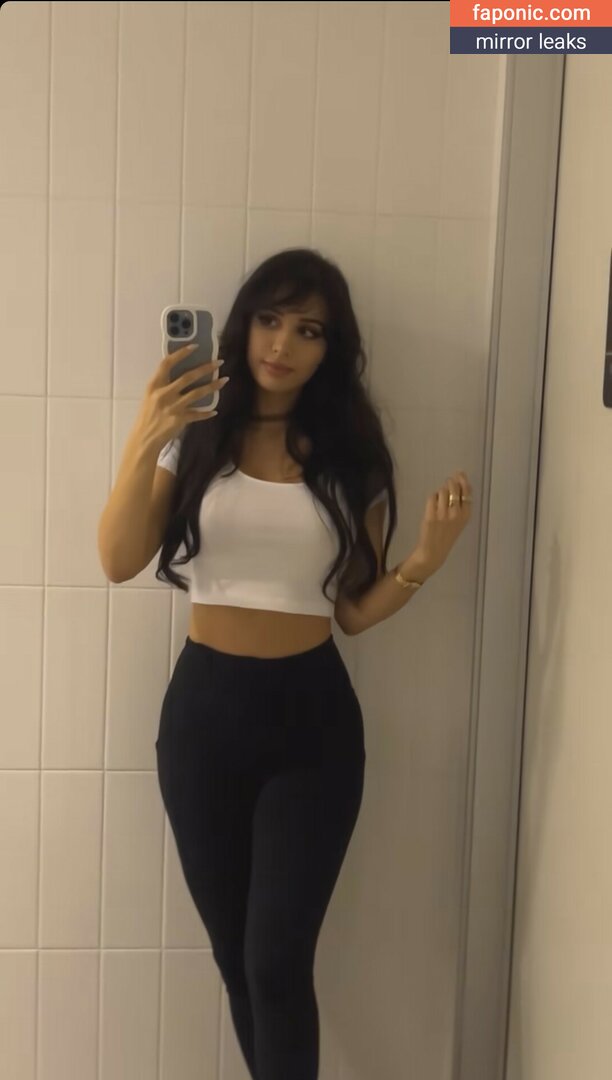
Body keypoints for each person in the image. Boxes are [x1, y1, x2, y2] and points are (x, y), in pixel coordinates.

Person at [97, 247, 472, 1079]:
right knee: (239, 961)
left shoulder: (351, 457)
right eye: (270, 320)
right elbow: (117, 559)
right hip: (202, 723)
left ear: (331, 349)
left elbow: (353, 613)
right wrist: (147, 432)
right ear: (242, 327)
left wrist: (421, 563)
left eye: (309, 330)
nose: (283, 344)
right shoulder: (195, 436)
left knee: (275, 961)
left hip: (312, 727)